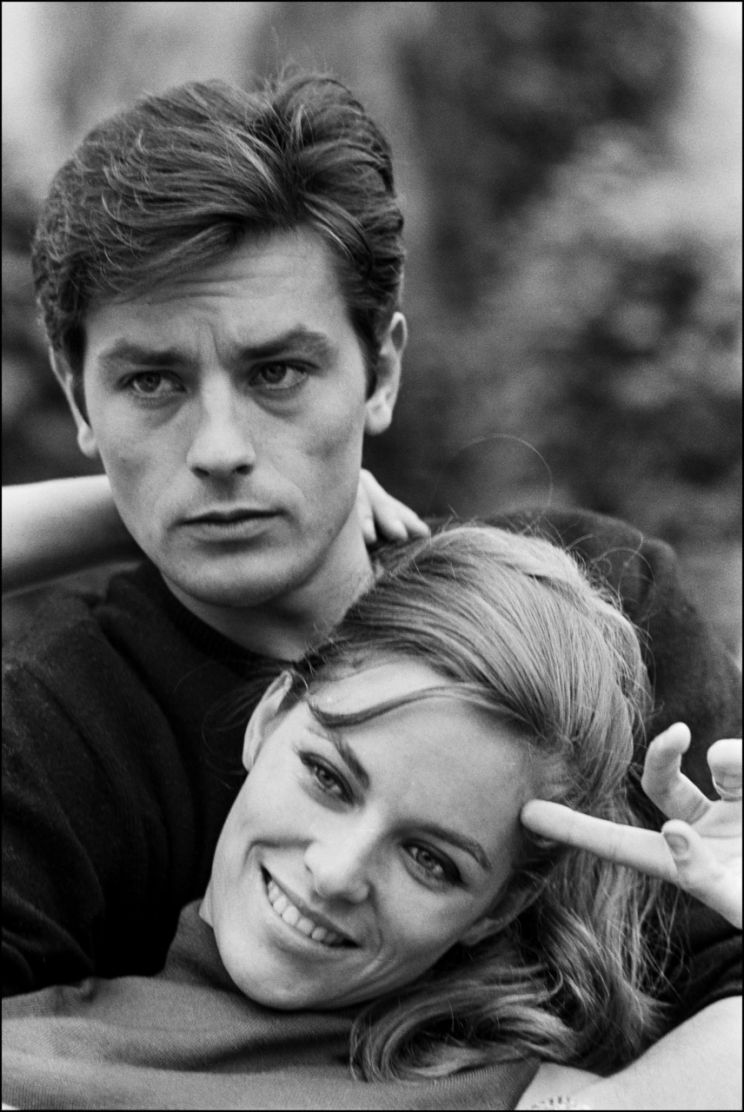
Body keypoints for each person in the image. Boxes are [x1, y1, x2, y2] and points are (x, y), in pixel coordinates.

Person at [2, 69, 741, 1107]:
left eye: (277, 373)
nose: (219, 450)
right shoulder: (50, 729)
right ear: (80, 397)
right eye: (150, 383)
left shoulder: (604, 619)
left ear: (381, 371)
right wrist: (111, 506)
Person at [3, 524, 739, 1110]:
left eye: (430, 859)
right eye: (329, 779)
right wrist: (131, 509)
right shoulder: (28, 1034)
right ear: (268, 719)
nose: (335, 872)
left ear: (499, 907)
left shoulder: (523, 1102)